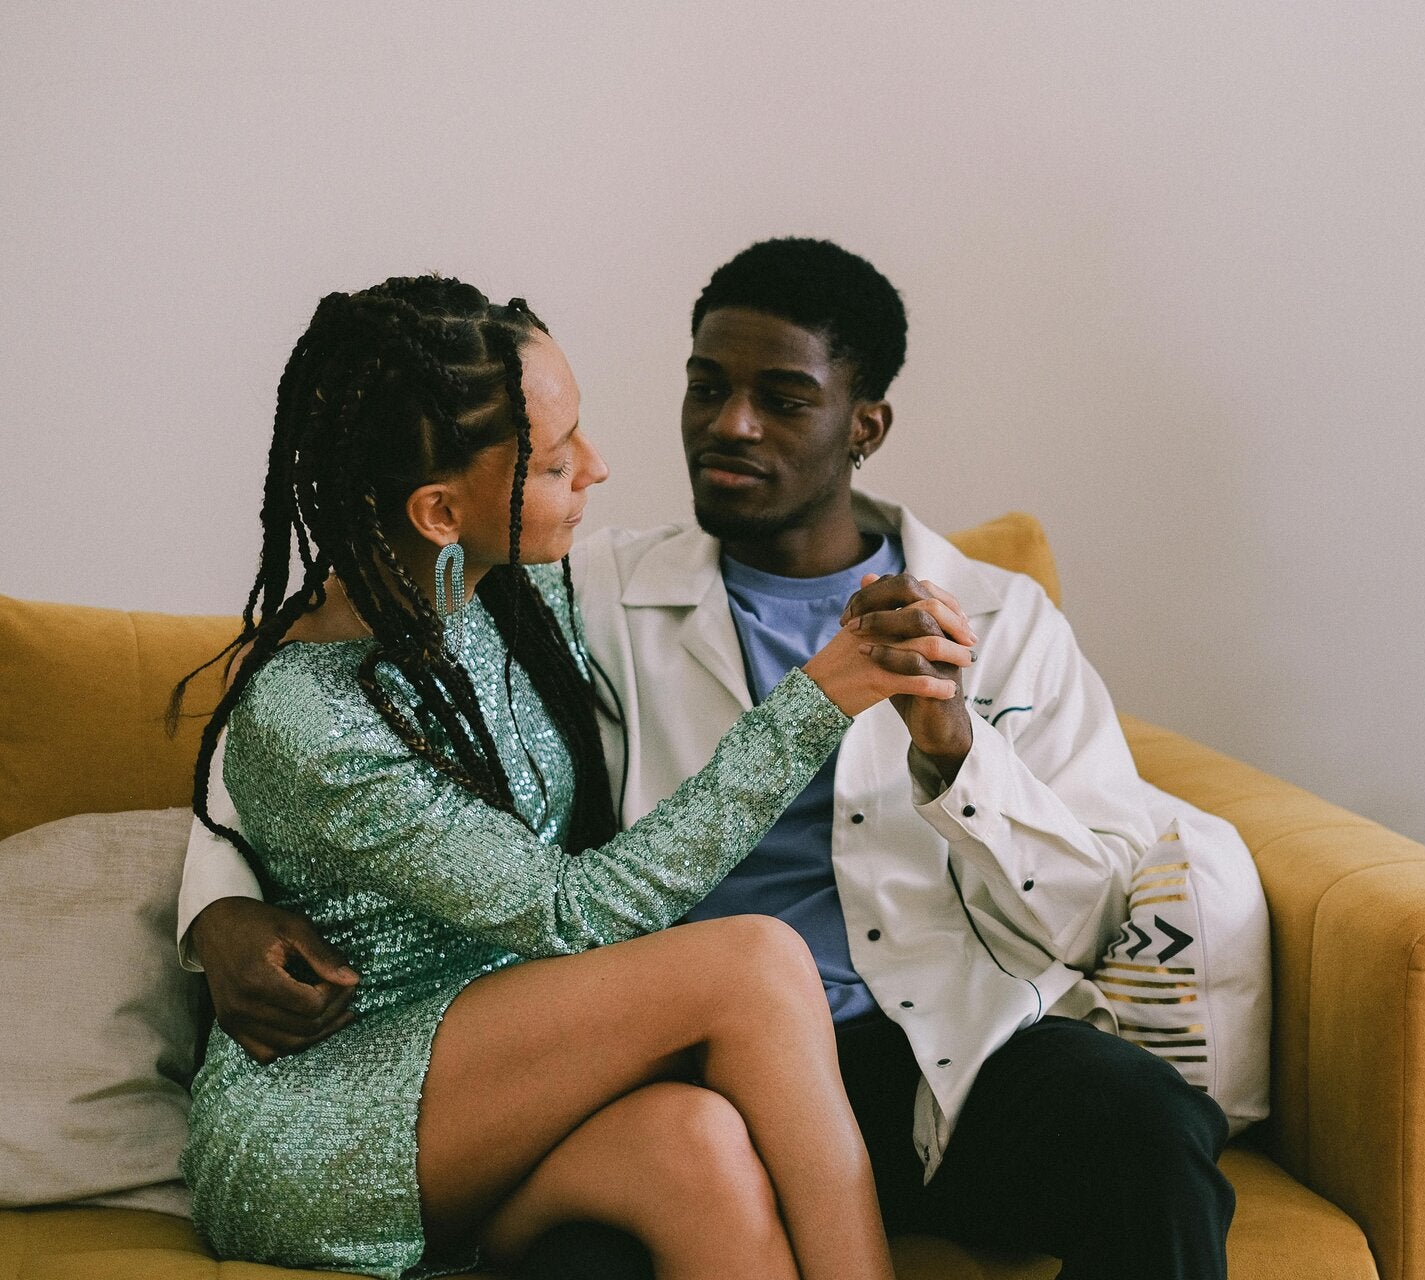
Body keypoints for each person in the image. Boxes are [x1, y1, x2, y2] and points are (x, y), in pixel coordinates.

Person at [182, 243, 1236, 1279]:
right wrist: (214, 910)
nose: (727, 425)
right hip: (634, 1047)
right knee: (716, 1049)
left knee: (1134, 1130)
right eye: (706, 387)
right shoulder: (584, 584)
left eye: (782, 398)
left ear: (865, 425)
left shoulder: (1004, 619)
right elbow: (282, 743)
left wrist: (958, 751)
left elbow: (1093, 904)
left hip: (926, 1037)